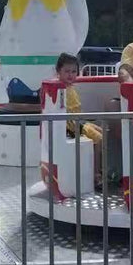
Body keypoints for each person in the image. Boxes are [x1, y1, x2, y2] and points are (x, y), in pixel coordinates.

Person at [56, 53, 103, 185]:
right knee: (98, 138)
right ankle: (96, 174)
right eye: (66, 71)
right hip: (70, 127)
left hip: (75, 123)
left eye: (73, 71)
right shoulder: (60, 89)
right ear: (58, 71)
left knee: (101, 130)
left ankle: (98, 168)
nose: (70, 75)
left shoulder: (69, 87)